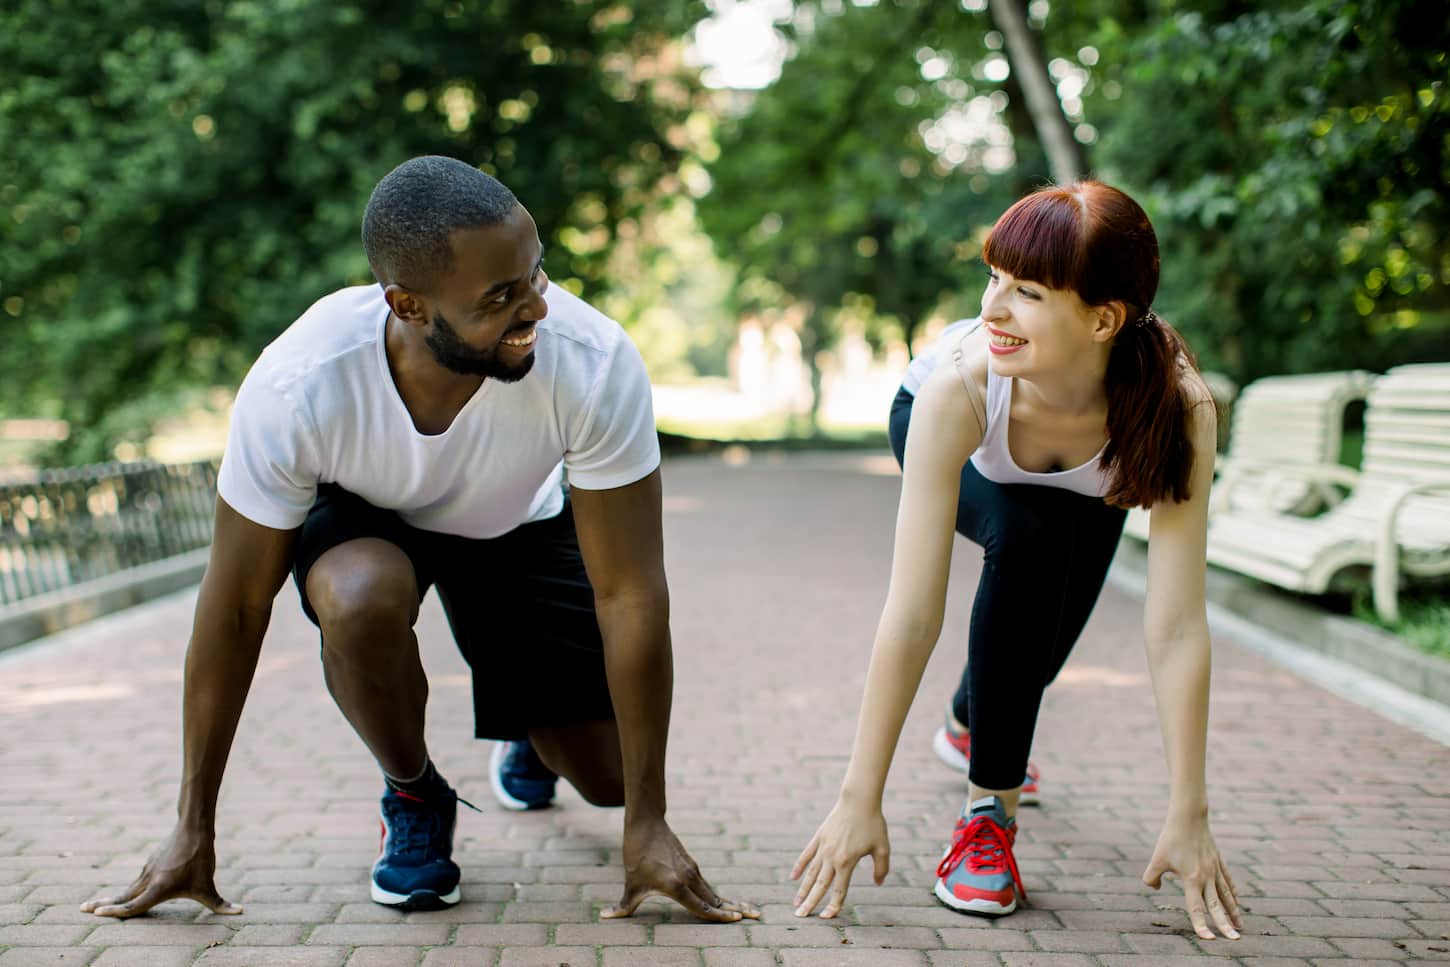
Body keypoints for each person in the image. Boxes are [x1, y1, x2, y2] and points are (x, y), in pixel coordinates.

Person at [81, 155, 758, 923]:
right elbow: (236, 606)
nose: (536, 308)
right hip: (371, 518)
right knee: (360, 600)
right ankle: (414, 791)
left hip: (516, 524)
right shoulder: (300, 384)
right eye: (500, 297)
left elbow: (629, 591)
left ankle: (532, 737)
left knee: (605, 780)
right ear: (407, 304)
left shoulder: (591, 362)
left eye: (535, 274)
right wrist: (191, 825)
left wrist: (648, 820)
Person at [789, 181, 1243, 941]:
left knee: (1040, 644)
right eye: (993, 278)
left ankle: (972, 716)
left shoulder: (1176, 407)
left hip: (1090, 467)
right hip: (958, 436)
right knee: (1029, 545)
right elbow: (912, 611)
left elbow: (1176, 628)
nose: (991, 310)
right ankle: (987, 818)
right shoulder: (961, 382)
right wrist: (858, 796)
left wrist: (1189, 811)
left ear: (1104, 318)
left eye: (1026, 291)